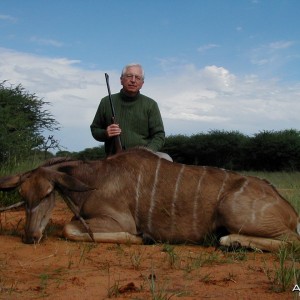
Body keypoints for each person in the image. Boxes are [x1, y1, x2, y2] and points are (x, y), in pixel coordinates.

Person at [90, 63, 172, 161]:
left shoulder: (151, 104)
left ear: (142, 83)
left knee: (167, 159)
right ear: (121, 80)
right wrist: (105, 133)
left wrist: (147, 152)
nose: (133, 80)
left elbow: (159, 135)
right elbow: (95, 129)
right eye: (129, 76)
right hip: (113, 158)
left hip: (144, 157)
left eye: (137, 77)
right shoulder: (106, 102)